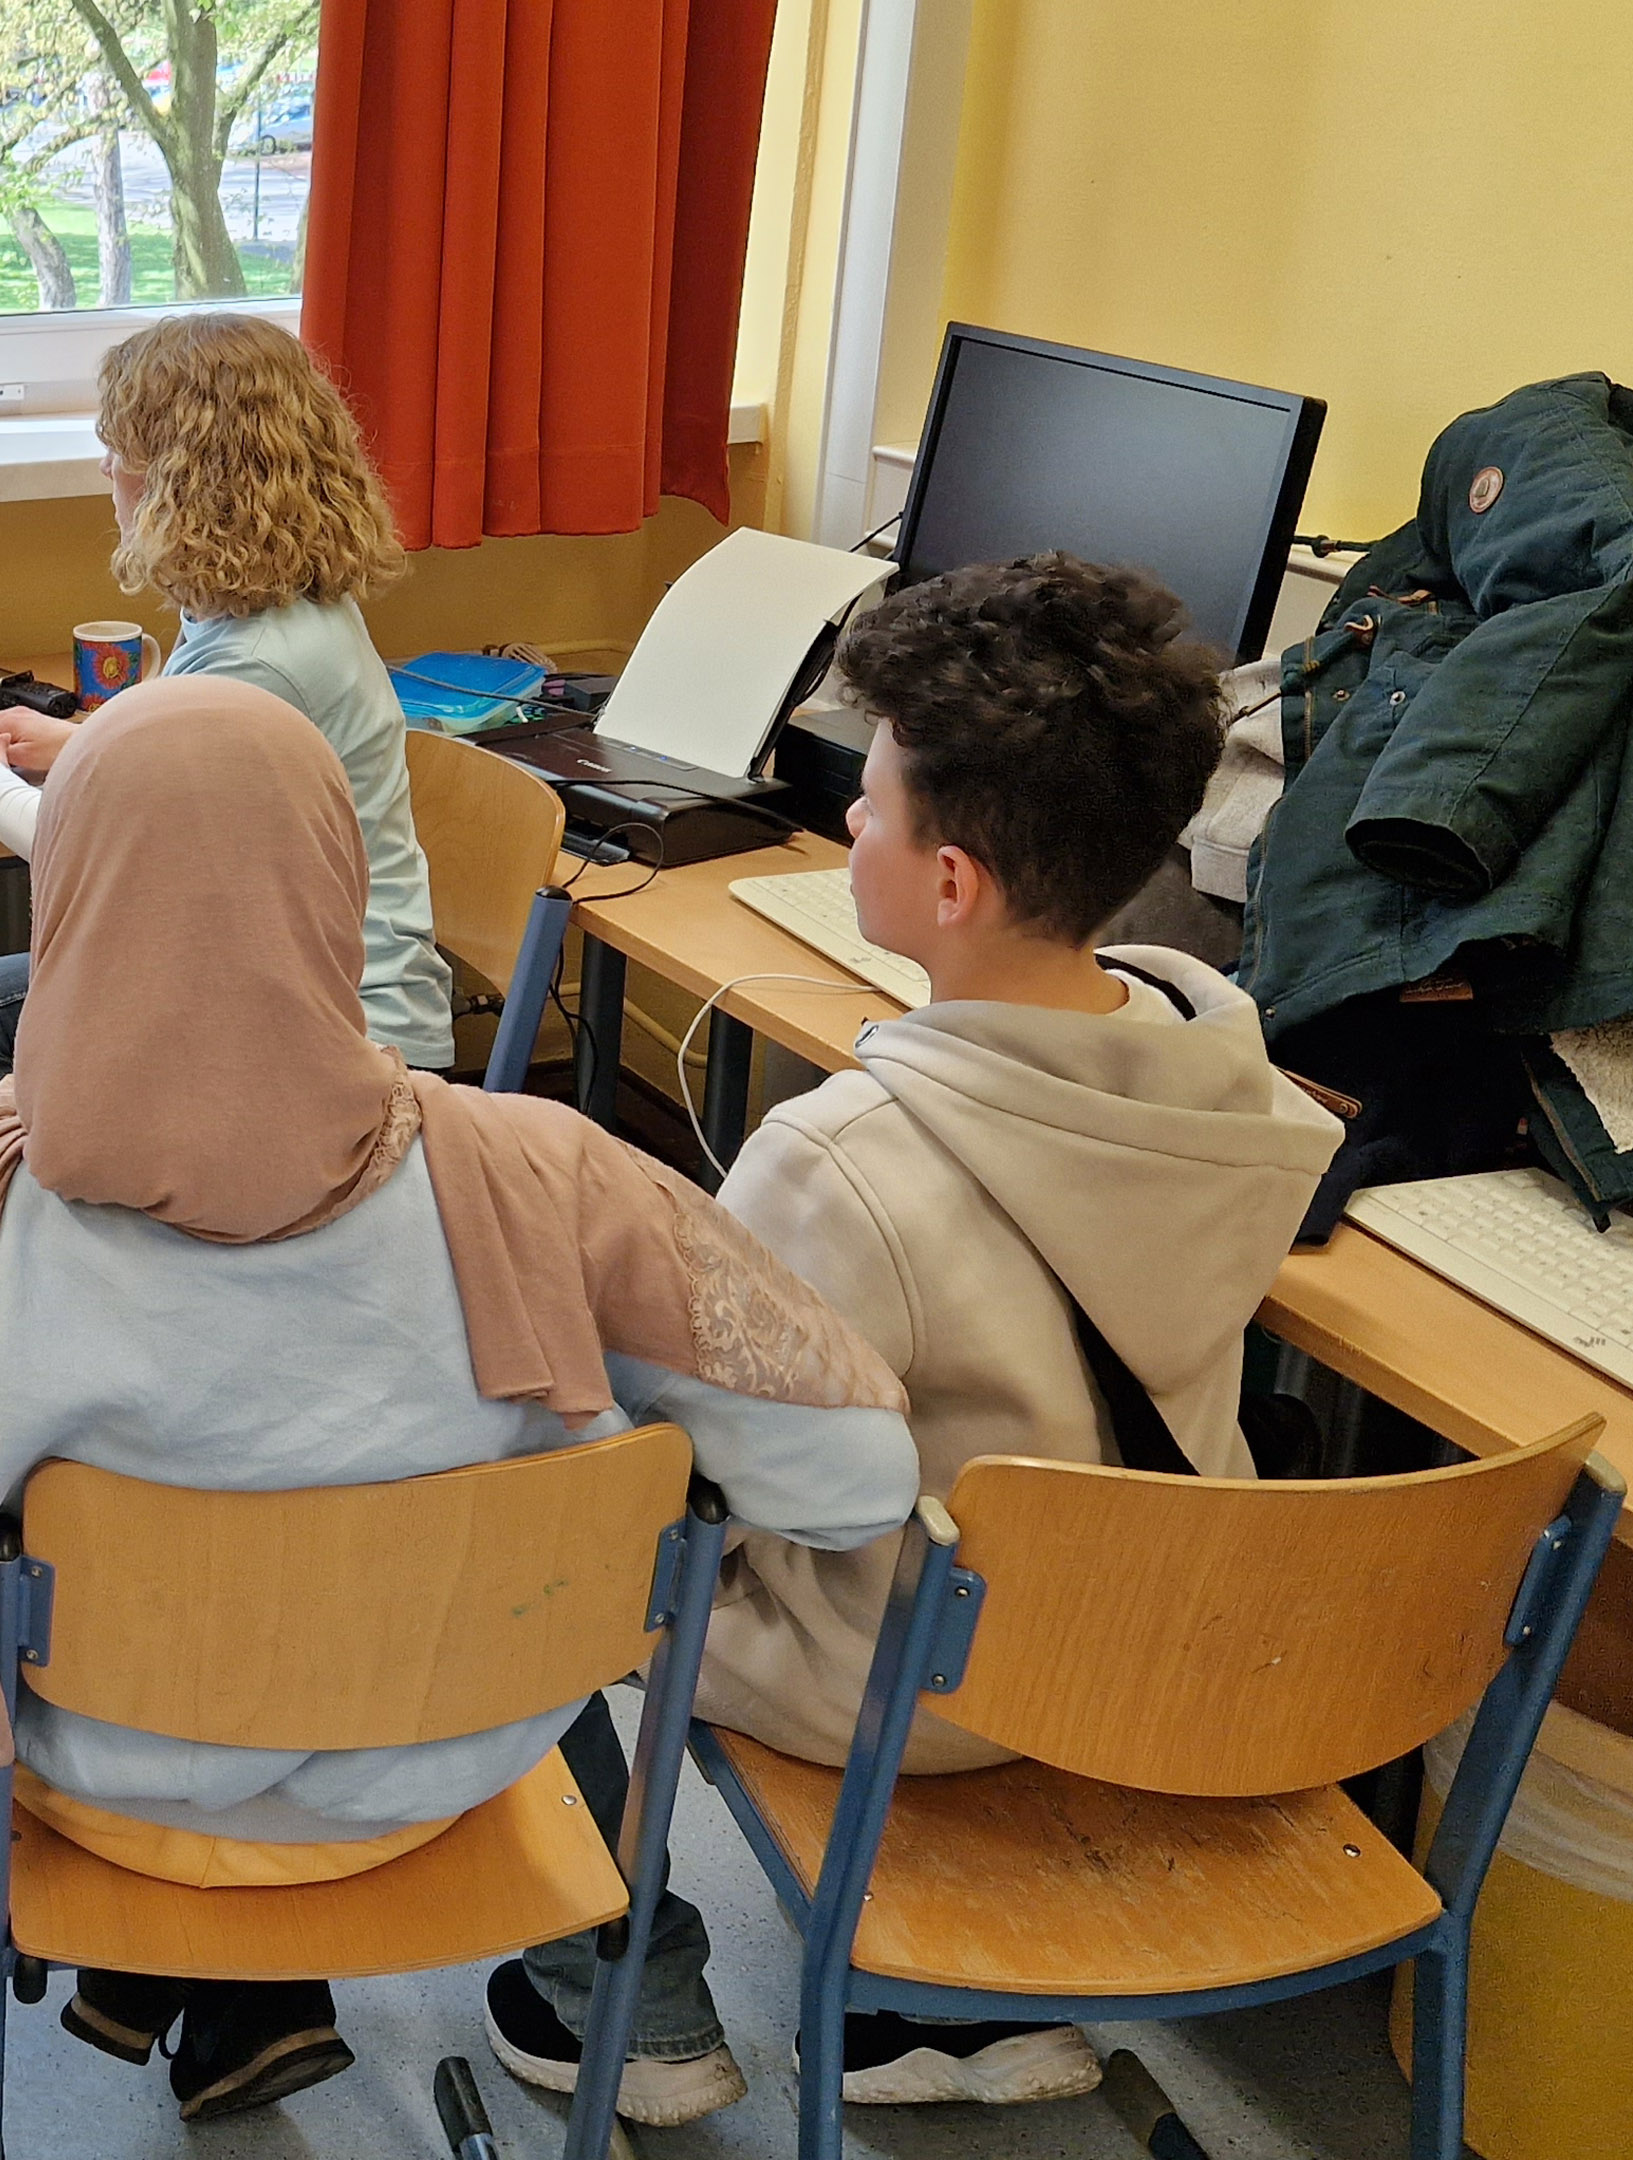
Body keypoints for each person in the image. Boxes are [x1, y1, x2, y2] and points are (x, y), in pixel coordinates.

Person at [0, 675, 917, 2125]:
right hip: (447, 1771)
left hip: (118, 1792)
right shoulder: (553, 1175)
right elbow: (855, 1479)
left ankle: (203, 1980)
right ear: (339, 882)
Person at [496, 556, 1345, 2120]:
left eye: (865, 806)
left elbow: (716, 1481)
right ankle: (912, 2010)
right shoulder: (1229, 1072)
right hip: (1140, 1646)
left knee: (517, 1508)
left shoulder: (836, 1159)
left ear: (947, 882)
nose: (849, 829)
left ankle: (630, 2003)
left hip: (910, 1692)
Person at [0, 311, 458, 1184]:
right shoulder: (275, 608)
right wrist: (81, 743)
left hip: (330, 1021)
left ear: (178, 478)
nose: (106, 469)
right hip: (283, 964)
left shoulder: (257, 659)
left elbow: (103, 859)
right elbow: (192, 786)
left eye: (118, 450)